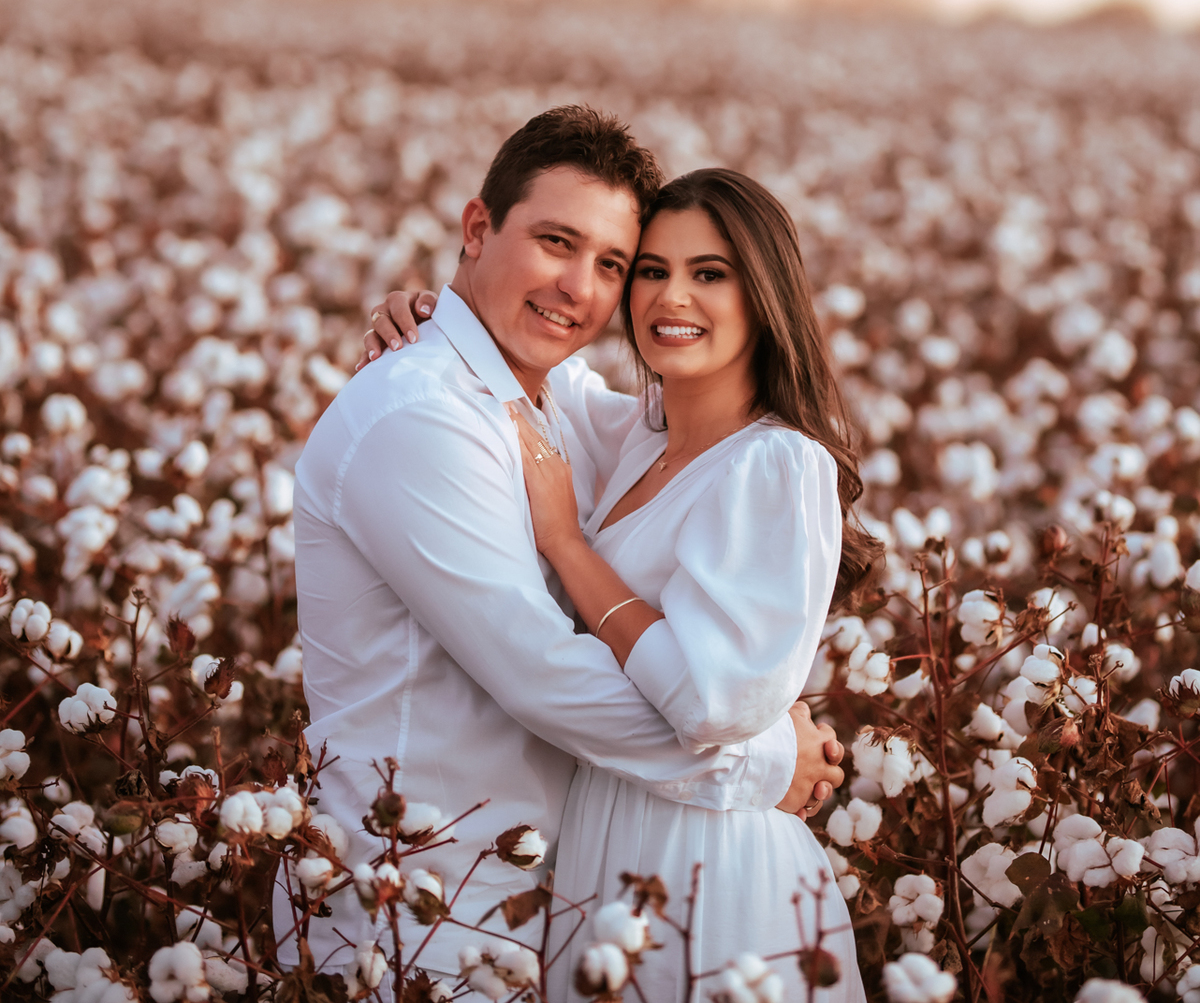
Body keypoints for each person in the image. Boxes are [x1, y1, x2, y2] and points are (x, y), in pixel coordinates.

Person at [289, 106, 845, 981]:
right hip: (421, 906)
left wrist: (431, 311)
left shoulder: (563, 408)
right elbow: (541, 670)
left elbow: (711, 460)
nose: (581, 288)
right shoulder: (423, 416)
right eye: (556, 242)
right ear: (477, 228)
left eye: (613, 264)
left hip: (546, 896)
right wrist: (766, 760)